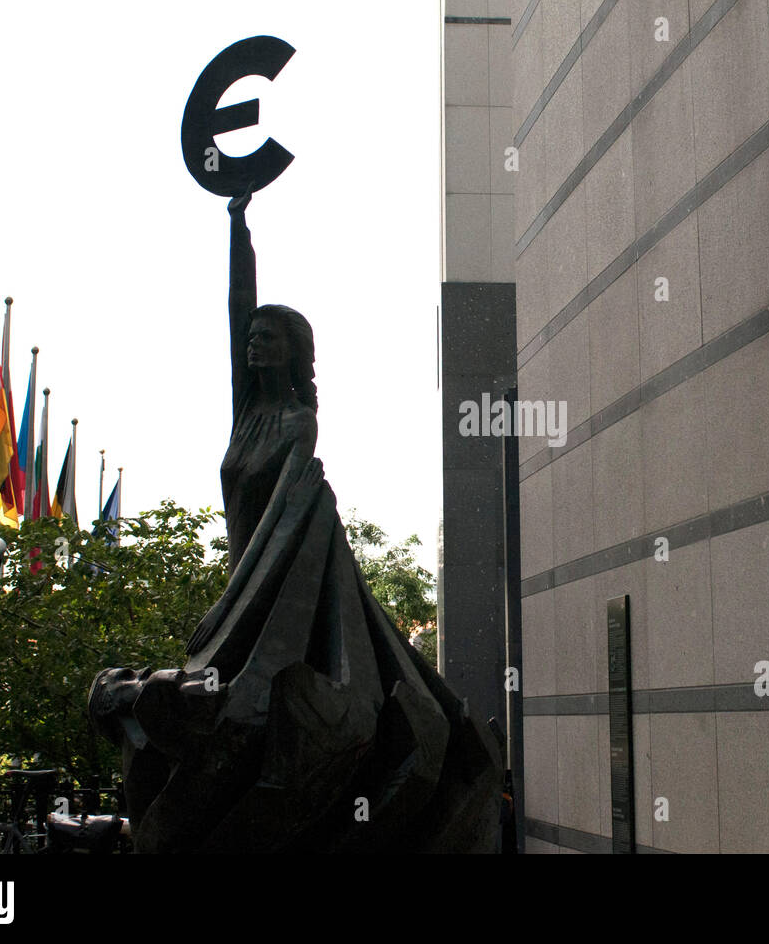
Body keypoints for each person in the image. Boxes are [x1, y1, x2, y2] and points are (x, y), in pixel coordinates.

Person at [88, 189, 501, 853]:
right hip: (243, 585)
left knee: (282, 714)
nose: (253, 343)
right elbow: (235, 309)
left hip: (288, 595)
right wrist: (237, 226)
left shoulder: (297, 423)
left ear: (291, 351)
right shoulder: (244, 411)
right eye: (252, 338)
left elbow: (293, 523)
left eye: (266, 337)